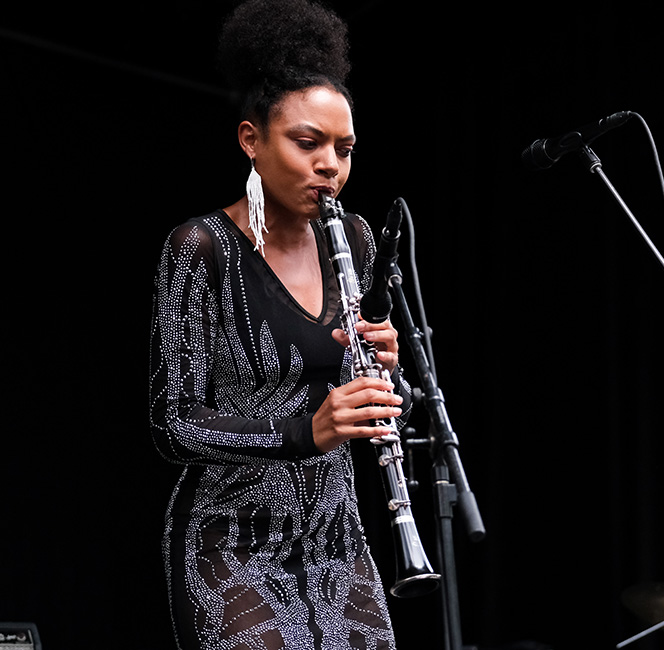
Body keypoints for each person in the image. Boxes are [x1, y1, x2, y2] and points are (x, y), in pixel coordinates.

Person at [148, 1, 410, 647]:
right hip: (228, 537)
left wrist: (385, 365)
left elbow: (355, 385)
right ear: (251, 139)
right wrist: (305, 431)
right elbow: (172, 423)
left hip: (336, 533)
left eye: (344, 150)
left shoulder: (356, 238)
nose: (330, 165)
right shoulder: (199, 247)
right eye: (307, 143)